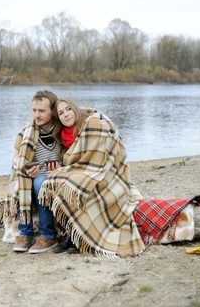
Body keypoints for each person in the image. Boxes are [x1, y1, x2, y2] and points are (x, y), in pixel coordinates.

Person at [40, 98, 146, 258]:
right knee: (56, 179)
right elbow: (76, 161)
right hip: (86, 170)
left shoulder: (95, 123)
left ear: (75, 108)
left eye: (68, 109)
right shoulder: (64, 135)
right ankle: (71, 232)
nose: (66, 114)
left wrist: (76, 170)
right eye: (61, 113)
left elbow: (99, 156)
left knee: (74, 182)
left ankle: (79, 238)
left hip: (107, 172)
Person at [0, 90, 62, 254]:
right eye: (34, 110)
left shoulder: (62, 132)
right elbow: (16, 159)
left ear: (52, 111)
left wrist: (59, 168)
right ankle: (25, 233)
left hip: (57, 177)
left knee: (40, 183)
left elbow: (71, 156)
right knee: (21, 181)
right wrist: (25, 167)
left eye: (41, 111)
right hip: (33, 175)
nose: (36, 115)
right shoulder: (26, 132)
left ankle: (48, 235)